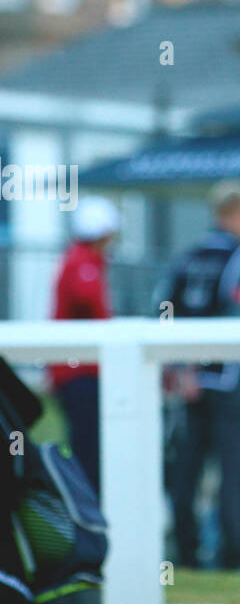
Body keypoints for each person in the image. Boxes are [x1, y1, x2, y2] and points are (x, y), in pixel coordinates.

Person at [163, 180, 240, 571]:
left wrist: (180, 369)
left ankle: (186, 553)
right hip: (231, 380)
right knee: (234, 472)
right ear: (239, 212)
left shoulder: (186, 257)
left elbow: (165, 312)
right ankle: (233, 555)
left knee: (187, 471)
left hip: (191, 383)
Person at [48, 196, 120, 497]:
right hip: (81, 374)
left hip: (78, 372)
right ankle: (86, 516)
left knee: (89, 449)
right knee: (88, 453)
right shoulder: (82, 261)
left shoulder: (78, 259)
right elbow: (86, 297)